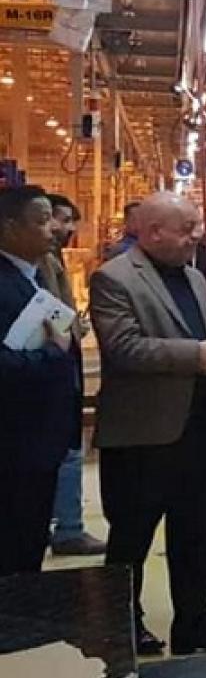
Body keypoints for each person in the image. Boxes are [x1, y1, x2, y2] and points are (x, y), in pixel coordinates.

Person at [89, 192, 206, 657]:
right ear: (152, 231)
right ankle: (121, 628)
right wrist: (196, 355)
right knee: (132, 537)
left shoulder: (196, 277)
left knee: (194, 535)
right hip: (143, 435)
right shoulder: (114, 279)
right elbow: (124, 348)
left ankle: (195, 624)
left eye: (196, 226)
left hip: (198, 428)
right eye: (186, 229)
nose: (196, 236)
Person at [0, 186, 81, 574]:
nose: (55, 229)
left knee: (30, 543)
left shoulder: (35, 276)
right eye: (43, 221)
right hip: (14, 442)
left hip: (39, 441)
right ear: (10, 227)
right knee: (13, 549)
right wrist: (53, 354)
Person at [40, 193, 106, 556]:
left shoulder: (51, 259)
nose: (65, 228)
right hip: (54, 367)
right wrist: (70, 331)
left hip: (61, 362)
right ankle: (67, 529)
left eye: (70, 222)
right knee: (67, 451)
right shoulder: (41, 262)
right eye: (58, 219)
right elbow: (51, 314)